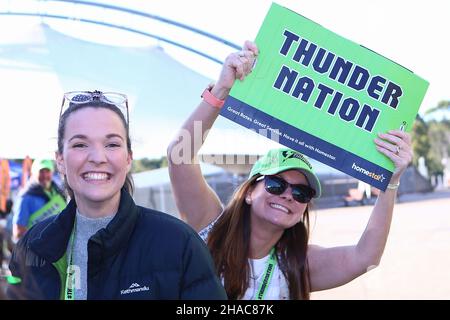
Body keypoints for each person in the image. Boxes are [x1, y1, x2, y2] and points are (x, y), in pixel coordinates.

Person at [167, 41, 413, 300]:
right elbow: (178, 155)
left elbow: (366, 257)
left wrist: (391, 179)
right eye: (276, 184)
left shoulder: (296, 264)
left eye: (301, 193)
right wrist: (221, 92)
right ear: (250, 191)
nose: (288, 196)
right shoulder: (211, 229)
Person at [8, 90, 226, 300]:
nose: (97, 157)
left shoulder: (179, 243)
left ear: (129, 159)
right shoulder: (33, 246)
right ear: (60, 160)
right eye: (80, 144)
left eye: (112, 144)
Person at [12, 158, 66, 242]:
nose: (44, 175)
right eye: (41, 172)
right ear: (33, 173)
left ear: (52, 172)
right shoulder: (25, 197)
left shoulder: (58, 192)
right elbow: (18, 232)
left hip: (61, 245)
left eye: (47, 171)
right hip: (38, 250)